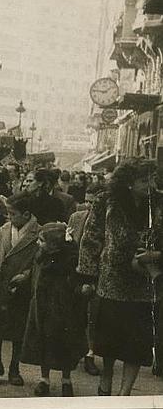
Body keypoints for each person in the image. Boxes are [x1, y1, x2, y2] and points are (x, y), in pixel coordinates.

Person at [78, 158, 162, 396]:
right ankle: (106, 379)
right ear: (127, 183)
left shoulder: (158, 203)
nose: (150, 185)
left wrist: (156, 255)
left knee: (136, 345)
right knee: (109, 342)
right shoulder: (106, 202)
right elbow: (91, 239)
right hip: (111, 282)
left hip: (145, 283)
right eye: (143, 180)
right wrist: (87, 276)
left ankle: (124, 394)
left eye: (152, 179)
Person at [21, 223, 88, 397]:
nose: (38, 243)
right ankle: (45, 379)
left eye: (42, 241)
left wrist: (80, 290)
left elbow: (74, 282)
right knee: (44, 341)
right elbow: (34, 275)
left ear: (54, 245)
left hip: (63, 309)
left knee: (64, 343)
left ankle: (66, 379)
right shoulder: (41, 256)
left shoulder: (69, 261)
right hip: (42, 306)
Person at [0, 192, 40, 386]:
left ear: (26, 215)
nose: (9, 217)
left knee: (18, 329)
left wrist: (26, 276)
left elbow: (39, 262)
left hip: (22, 288)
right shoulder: (3, 230)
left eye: (12, 213)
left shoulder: (38, 234)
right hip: (1, 285)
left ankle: (14, 367)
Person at [67, 182, 104, 376]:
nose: (88, 206)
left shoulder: (106, 220)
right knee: (77, 313)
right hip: (76, 272)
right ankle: (76, 351)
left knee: (93, 317)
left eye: (93, 203)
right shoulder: (76, 217)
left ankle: (90, 355)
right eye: (87, 201)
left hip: (98, 274)